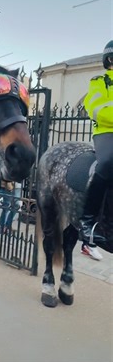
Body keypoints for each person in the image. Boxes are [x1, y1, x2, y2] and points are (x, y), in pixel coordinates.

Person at [78, 39, 113, 251]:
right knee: (107, 163)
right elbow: (96, 108)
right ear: (110, 59)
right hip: (106, 132)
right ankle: (88, 222)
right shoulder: (99, 81)